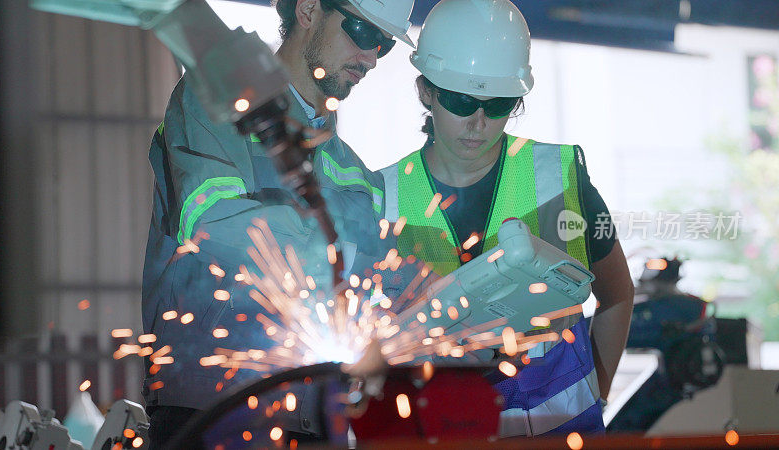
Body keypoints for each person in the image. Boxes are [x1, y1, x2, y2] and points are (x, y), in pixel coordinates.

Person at [141, 0, 415, 446]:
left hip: (313, 417)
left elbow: (372, 282)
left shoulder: (358, 175)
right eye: (364, 34)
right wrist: (334, 257)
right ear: (308, 10)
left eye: (383, 45)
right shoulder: (217, 99)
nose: (371, 59)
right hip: (212, 408)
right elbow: (211, 224)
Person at [380, 0, 634, 436]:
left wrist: (597, 393)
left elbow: (617, 295)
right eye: (461, 101)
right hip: (443, 432)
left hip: (565, 431)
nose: (477, 122)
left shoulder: (561, 177)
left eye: (498, 105)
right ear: (426, 91)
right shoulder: (380, 197)